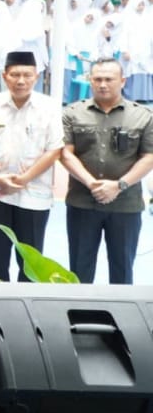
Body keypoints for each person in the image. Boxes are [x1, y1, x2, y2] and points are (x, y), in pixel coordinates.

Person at [59, 57, 153, 284]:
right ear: (90, 81)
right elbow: (65, 153)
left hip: (125, 205)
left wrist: (119, 185)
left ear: (122, 80)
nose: (103, 84)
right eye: (98, 79)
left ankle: (121, 319)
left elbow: (149, 156)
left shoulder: (142, 116)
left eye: (109, 79)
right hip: (83, 202)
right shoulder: (73, 113)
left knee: (122, 270)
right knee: (79, 269)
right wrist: (91, 183)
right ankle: (80, 314)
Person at [0, 51, 64, 282]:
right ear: (5, 76)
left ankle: (28, 312)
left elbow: (54, 149)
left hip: (33, 195)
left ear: (36, 76)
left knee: (31, 262)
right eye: (15, 75)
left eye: (27, 75)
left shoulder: (50, 107)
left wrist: (24, 180)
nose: (21, 80)